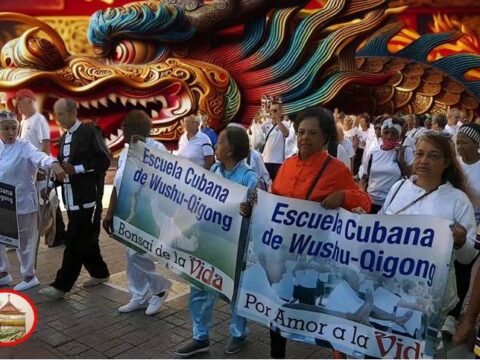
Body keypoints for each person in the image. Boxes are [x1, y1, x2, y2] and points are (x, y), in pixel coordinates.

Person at [266, 106, 372, 359]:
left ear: (325, 137)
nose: (304, 137)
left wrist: (343, 195)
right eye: (301, 132)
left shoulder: (336, 169)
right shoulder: (287, 165)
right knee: (277, 312)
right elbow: (273, 202)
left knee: (327, 315)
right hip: (285, 257)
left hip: (319, 261)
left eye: (312, 133)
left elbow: (364, 201)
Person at [379, 133, 478, 355]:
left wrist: (461, 241)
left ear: (446, 163)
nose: (424, 161)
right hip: (389, 290)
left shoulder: (457, 200)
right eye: (420, 154)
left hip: (432, 301)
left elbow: (468, 257)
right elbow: (380, 228)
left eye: (433, 156)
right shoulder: (398, 189)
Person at [175, 125, 258, 358]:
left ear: (231, 149)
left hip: (235, 247)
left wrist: (249, 210)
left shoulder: (249, 178)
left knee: (235, 291)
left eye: (220, 142)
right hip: (209, 242)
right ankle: (200, 336)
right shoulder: (214, 171)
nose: (215, 147)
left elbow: (261, 213)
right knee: (200, 286)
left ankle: (239, 333)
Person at [39, 98, 111, 299]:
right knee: (86, 240)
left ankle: (61, 286)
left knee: (73, 241)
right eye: (56, 114)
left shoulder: (89, 133)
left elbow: (103, 161)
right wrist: (52, 185)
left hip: (87, 200)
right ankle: (100, 272)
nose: (57, 118)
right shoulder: (63, 139)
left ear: (72, 113)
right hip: (69, 200)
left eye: (60, 113)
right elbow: (63, 170)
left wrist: (77, 169)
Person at [103, 110, 172, 316]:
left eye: (126, 127)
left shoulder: (156, 148)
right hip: (128, 212)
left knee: (141, 253)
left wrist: (143, 151)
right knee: (131, 254)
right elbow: (117, 185)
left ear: (139, 129)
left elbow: (163, 181)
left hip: (150, 213)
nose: (123, 131)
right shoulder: (125, 153)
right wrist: (109, 213)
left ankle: (159, 289)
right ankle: (139, 295)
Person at [0, 110, 66, 290]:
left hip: (22, 203)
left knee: (24, 241)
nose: (11, 132)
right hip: (2, 203)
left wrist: (52, 163)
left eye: (13, 128)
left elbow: (40, 158)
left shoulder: (24, 146)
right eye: (6, 129)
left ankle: (29, 277)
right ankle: (3, 273)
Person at [443, 123, 480, 335]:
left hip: (474, 226)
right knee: (448, 266)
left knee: (464, 269)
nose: (460, 147)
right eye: (458, 143)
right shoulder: (455, 165)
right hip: (451, 221)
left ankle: (453, 315)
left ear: (477, 144)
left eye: (465, 143)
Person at [360, 118, 413, 213]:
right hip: (370, 202)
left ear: (399, 136)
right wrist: (362, 198)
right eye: (386, 132)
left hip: (392, 204)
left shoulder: (405, 152)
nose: (389, 136)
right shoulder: (373, 152)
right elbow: (364, 178)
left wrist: (401, 160)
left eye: (393, 133)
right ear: (381, 133)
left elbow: (412, 178)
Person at [261, 98, 294, 181]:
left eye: (275, 110)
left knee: (276, 185)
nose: (272, 113)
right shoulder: (266, 124)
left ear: (280, 112)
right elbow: (256, 137)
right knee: (264, 184)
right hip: (265, 160)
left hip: (278, 161)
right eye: (271, 111)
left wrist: (278, 121)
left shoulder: (285, 124)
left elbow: (286, 133)